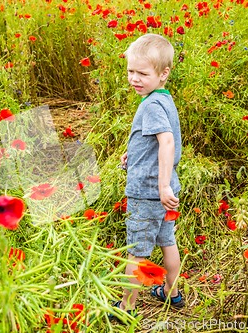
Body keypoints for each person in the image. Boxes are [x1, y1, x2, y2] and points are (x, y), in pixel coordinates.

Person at [107, 33, 185, 324]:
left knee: (136, 253)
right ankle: (171, 292)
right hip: (165, 194)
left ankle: (126, 307)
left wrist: (162, 186)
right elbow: (155, 143)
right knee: (167, 240)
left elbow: (166, 142)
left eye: (142, 73)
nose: (134, 79)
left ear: (163, 74)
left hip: (149, 194)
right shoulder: (163, 99)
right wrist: (134, 156)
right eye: (130, 71)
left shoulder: (150, 105)